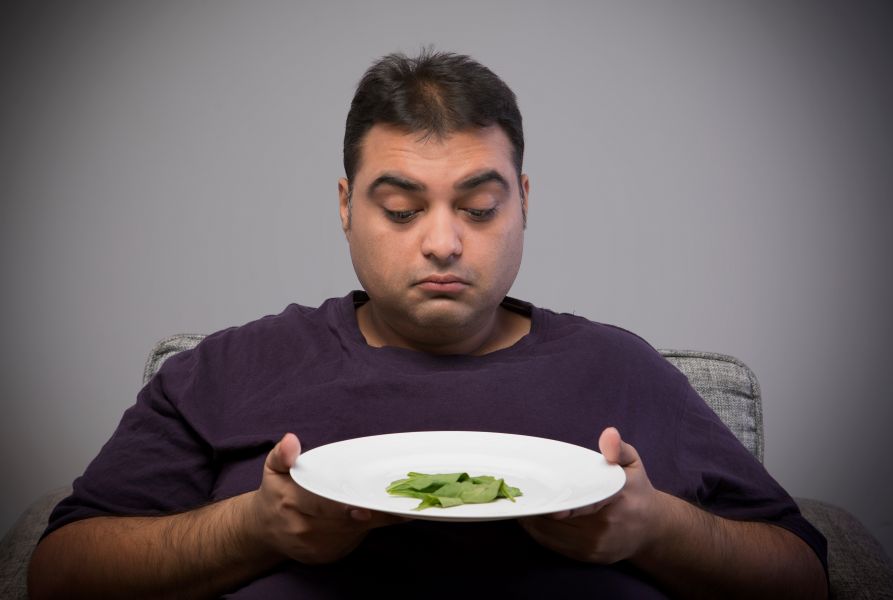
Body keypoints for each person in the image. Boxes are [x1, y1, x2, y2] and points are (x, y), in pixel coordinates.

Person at [28, 50, 828, 599]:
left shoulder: (624, 370)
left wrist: (657, 528)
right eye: (402, 208)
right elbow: (57, 573)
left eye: (479, 208)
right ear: (346, 206)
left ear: (523, 203)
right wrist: (255, 527)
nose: (443, 240)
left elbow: (806, 574)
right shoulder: (226, 369)